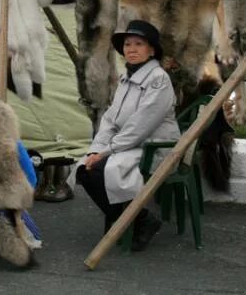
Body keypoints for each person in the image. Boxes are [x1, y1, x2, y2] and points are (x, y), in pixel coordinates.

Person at [70, 20, 179, 251]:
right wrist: (95, 149)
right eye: (128, 44)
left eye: (139, 44)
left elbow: (141, 126)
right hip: (127, 145)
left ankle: (132, 220)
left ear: (151, 50)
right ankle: (138, 220)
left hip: (153, 147)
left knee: (99, 169)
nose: (131, 49)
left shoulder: (158, 79)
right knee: (84, 169)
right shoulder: (126, 79)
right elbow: (110, 119)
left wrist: (106, 152)